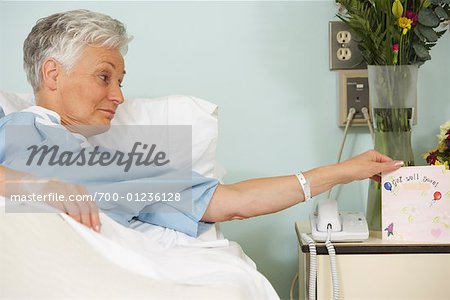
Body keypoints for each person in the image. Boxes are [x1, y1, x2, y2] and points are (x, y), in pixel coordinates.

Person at [0, 10, 404, 236]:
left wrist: (344, 171)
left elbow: (236, 203)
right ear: (52, 75)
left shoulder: (123, 170)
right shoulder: (11, 127)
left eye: (120, 83)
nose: (119, 96)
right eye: (104, 77)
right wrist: (36, 186)